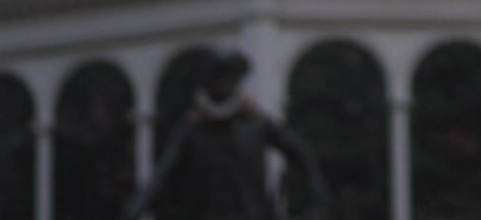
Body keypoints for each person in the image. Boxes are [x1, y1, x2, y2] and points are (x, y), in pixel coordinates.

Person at [122, 50, 330, 220]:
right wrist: (135, 208)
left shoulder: (256, 123)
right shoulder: (191, 130)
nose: (223, 84)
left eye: (228, 77)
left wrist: (318, 202)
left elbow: (301, 153)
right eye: (217, 78)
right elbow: (161, 175)